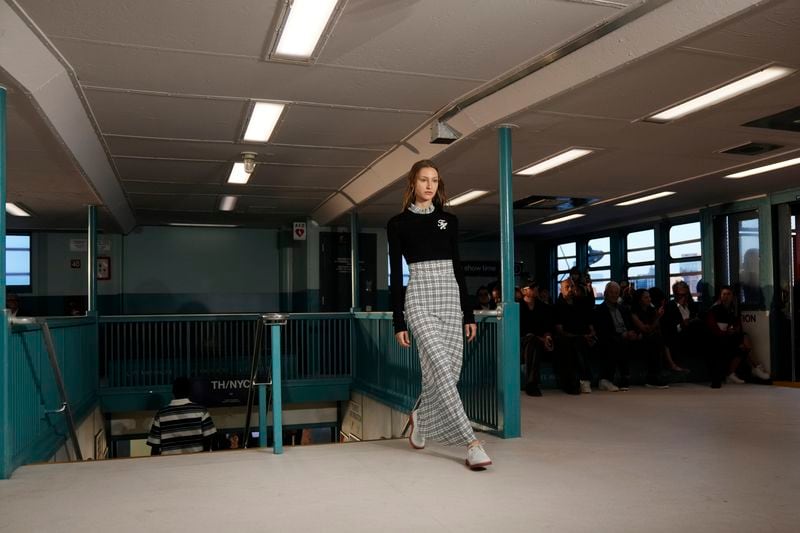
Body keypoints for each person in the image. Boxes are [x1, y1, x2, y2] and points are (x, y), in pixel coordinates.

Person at [387, 159, 490, 470]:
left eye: (434, 180)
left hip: (450, 298)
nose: (429, 185)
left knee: (449, 374)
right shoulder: (397, 224)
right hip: (418, 299)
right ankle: (471, 443)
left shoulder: (449, 220)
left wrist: (468, 313)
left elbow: (458, 267)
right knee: (443, 371)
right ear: (412, 184)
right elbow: (396, 275)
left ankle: (421, 416)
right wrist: (399, 321)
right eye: (423, 180)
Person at [706, 286, 770, 388]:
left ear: (732, 296)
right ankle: (754, 367)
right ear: (720, 296)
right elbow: (713, 329)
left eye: (728, 294)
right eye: (724, 294)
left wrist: (734, 331)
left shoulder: (733, 309)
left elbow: (737, 326)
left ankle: (744, 370)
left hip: (728, 336)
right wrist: (728, 332)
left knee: (744, 342)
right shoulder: (715, 309)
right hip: (717, 338)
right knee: (742, 343)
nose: (726, 297)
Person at [146, 377, 216, 455]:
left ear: (173, 392)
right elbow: (208, 439)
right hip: (196, 462)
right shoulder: (201, 411)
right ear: (190, 392)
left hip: (169, 464)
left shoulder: (161, 414)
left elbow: (155, 446)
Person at [593, 282, 642, 391]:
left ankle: (654, 376)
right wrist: (623, 335)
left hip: (626, 336)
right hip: (609, 338)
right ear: (605, 293)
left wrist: (633, 333)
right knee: (616, 342)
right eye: (611, 292)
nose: (614, 295)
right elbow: (603, 331)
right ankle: (608, 379)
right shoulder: (599, 310)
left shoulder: (623, 309)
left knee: (652, 338)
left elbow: (630, 325)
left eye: (616, 293)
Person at [554, 278, 597, 394]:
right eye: (567, 287)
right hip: (567, 338)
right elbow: (560, 330)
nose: (570, 289)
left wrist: (591, 333)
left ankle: (591, 379)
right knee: (576, 343)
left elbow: (589, 322)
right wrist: (581, 336)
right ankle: (583, 379)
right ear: (561, 289)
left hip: (583, 335)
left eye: (572, 287)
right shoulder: (558, 306)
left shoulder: (580, 303)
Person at [519, 280, 554, 397]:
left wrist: (547, 337)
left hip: (539, 341)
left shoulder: (542, 307)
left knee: (536, 343)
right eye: (532, 288)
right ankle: (532, 384)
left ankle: (532, 383)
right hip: (522, 341)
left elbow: (547, 326)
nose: (535, 290)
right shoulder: (517, 307)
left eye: (536, 288)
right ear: (524, 291)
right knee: (532, 341)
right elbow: (521, 330)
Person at [630, 289, 670, 388]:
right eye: (646, 297)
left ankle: (656, 374)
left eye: (649, 297)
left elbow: (654, 327)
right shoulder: (633, 312)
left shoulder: (651, 310)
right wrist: (657, 318)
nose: (649, 299)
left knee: (658, 338)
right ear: (639, 300)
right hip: (637, 339)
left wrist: (655, 320)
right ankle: (653, 377)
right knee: (655, 340)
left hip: (650, 337)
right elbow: (644, 329)